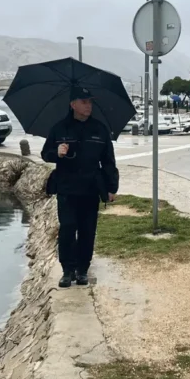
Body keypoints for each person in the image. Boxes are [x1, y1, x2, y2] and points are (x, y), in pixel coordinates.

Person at [41, 86, 119, 288]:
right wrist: (57, 152)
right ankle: (67, 270)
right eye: (84, 102)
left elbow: (108, 161)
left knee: (87, 230)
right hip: (66, 188)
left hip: (91, 188)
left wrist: (111, 187)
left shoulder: (100, 129)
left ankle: (82, 269)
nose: (88, 105)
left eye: (90, 102)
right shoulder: (59, 128)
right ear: (73, 104)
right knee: (67, 228)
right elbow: (45, 154)